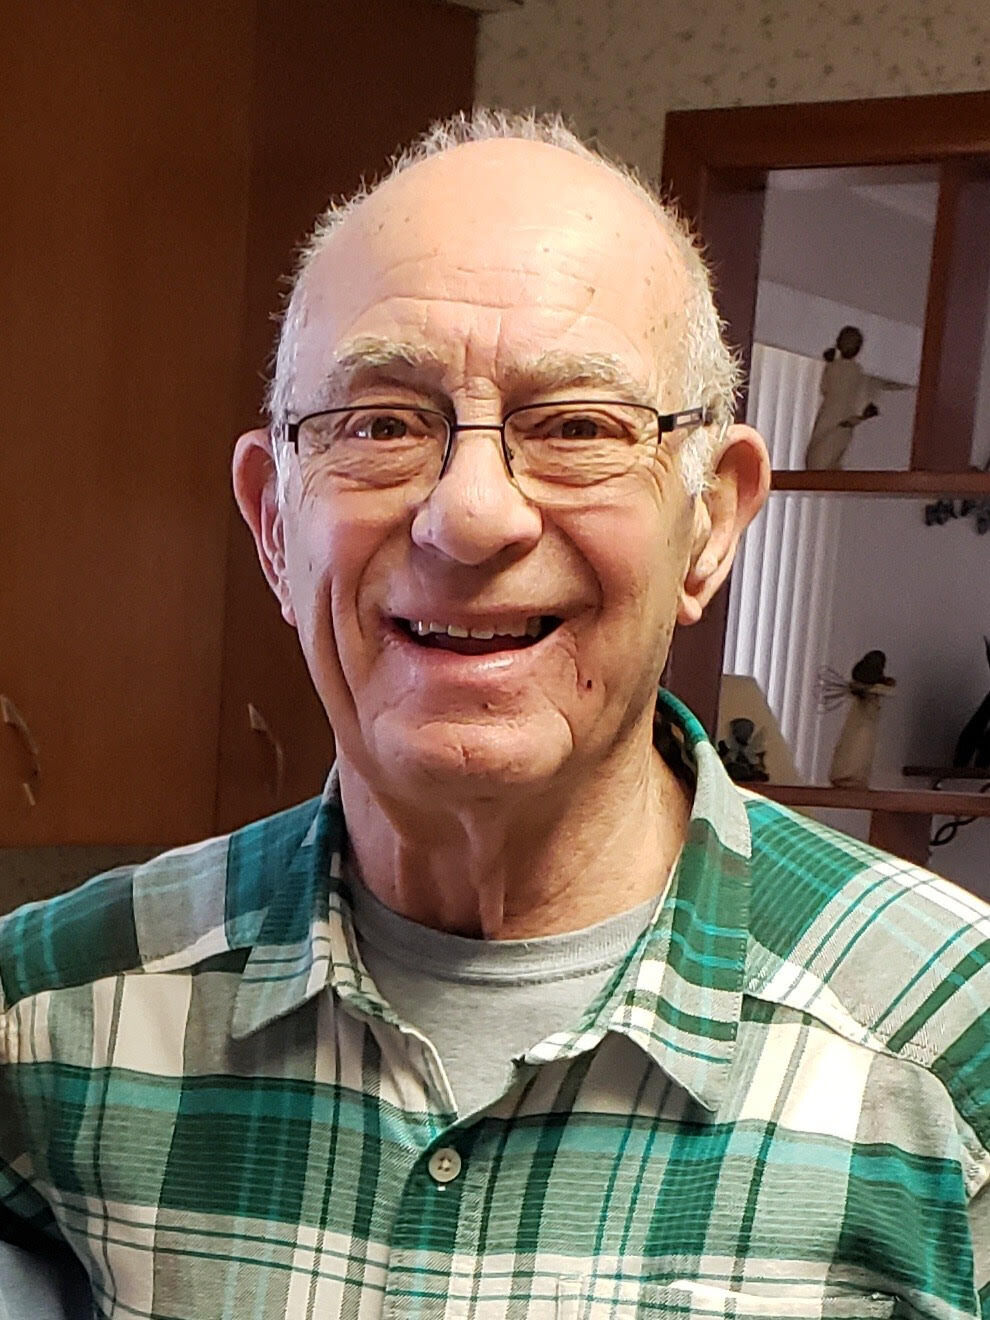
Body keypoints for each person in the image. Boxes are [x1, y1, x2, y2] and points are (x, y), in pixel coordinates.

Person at [1, 109, 987, 1319]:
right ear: (272, 522)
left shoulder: (954, 1059)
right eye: (380, 423)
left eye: (577, 426)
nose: (469, 517)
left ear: (711, 522)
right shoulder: (48, 1019)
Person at [804, 325, 880, 470]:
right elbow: (861, 399)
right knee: (825, 454)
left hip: (832, 417)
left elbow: (824, 388)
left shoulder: (834, 367)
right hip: (842, 420)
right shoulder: (855, 371)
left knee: (821, 453)